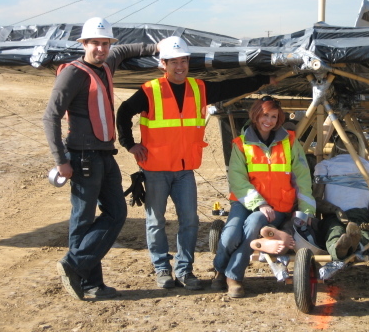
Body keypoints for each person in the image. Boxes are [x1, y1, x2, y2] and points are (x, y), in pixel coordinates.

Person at [116, 36, 276, 291]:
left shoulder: (198, 88)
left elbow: (230, 87)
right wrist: (129, 144)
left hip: (183, 170)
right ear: (163, 65)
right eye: (174, 62)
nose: (180, 66)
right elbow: (123, 112)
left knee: (189, 221)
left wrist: (262, 80)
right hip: (155, 169)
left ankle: (185, 271)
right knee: (155, 221)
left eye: (184, 61)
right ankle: (162, 269)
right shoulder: (150, 90)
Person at [43, 17, 161, 300]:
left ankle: (77, 268)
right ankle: (87, 281)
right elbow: (51, 117)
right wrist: (61, 160)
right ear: (83, 43)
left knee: (117, 213)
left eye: (105, 43)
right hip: (83, 156)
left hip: (106, 155)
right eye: (95, 43)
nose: (101, 48)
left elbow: (124, 51)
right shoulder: (73, 73)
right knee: (82, 219)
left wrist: (156, 47)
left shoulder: (107, 63)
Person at [212, 96, 316, 297]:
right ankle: (220, 270)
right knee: (231, 235)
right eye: (265, 115)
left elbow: (302, 178)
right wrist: (259, 203)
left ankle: (233, 277)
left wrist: (306, 210)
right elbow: (237, 179)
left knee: (254, 223)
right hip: (245, 203)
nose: (269, 120)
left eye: (274, 117)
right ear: (256, 115)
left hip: (277, 206)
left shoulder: (290, 142)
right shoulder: (241, 144)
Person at [314, 132, 369, 261]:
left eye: (352, 137)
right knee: (334, 230)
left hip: (359, 215)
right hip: (334, 214)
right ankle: (342, 247)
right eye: (344, 137)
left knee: (363, 232)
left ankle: (352, 244)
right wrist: (336, 210)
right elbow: (316, 199)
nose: (348, 140)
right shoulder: (325, 166)